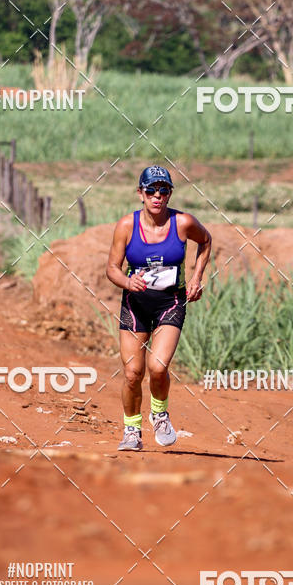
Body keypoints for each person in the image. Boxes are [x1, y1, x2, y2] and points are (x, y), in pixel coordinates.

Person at [106, 165, 212, 452]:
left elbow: (205, 241)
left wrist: (196, 278)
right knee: (132, 373)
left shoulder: (183, 223)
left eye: (163, 190)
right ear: (140, 193)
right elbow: (112, 269)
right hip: (136, 303)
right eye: (151, 190)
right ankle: (131, 430)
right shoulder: (127, 226)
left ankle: (160, 414)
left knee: (158, 366)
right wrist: (128, 283)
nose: (157, 196)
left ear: (170, 194)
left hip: (170, 302)